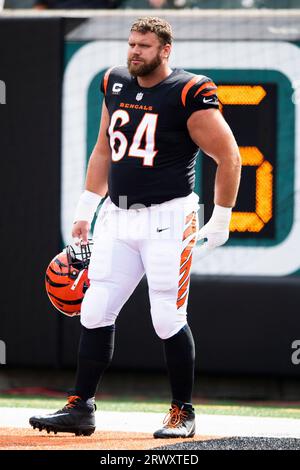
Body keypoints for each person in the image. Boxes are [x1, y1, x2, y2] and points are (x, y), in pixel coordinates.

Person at [29, 16, 241, 439]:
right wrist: (85, 207)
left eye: (144, 45)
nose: (134, 52)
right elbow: (105, 148)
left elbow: (229, 156)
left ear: (165, 50)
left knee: (166, 315)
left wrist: (221, 219)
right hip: (116, 215)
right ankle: (81, 406)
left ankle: (183, 411)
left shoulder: (188, 90)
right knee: (95, 307)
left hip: (167, 218)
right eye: (131, 44)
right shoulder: (115, 81)